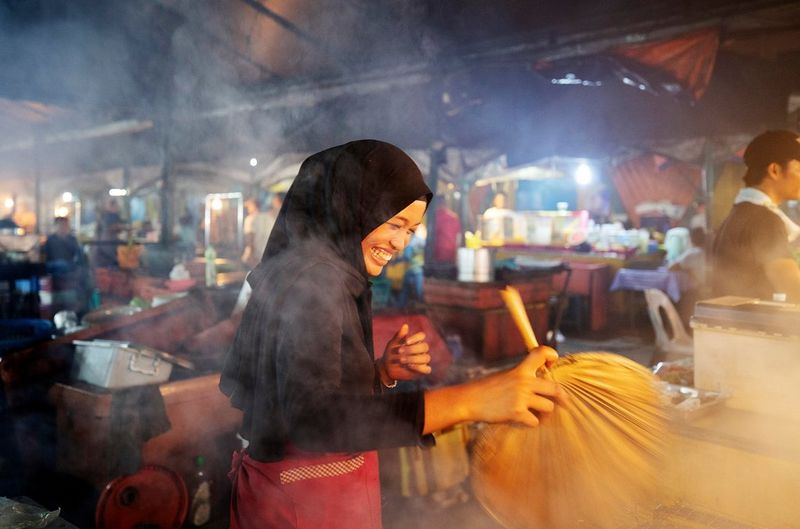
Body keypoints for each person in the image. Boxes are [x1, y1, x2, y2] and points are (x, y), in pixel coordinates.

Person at [219, 140, 563, 529]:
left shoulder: (327, 271)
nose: (400, 243)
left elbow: (301, 387)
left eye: (412, 230)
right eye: (395, 223)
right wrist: (473, 400)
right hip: (299, 507)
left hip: (312, 496)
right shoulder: (315, 279)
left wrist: (379, 372)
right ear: (353, 207)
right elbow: (313, 419)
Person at [712, 130, 800, 301]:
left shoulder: (742, 211)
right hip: (750, 325)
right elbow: (793, 287)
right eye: (799, 169)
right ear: (774, 170)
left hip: (735, 322)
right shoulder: (764, 220)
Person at [43, 216, 90, 315]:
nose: (64, 227)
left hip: (70, 270)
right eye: (61, 225)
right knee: (62, 265)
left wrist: (80, 268)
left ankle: (84, 309)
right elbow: (45, 258)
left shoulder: (72, 239)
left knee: (84, 273)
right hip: (55, 269)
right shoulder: (50, 240)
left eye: (66, 225)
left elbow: (80, 256)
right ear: (55, 226)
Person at [241, 193, 284, 268]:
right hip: (259, 261)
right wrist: (252, 257)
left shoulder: (285, 221)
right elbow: (249, 239)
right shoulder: (259, 219)